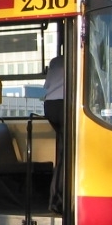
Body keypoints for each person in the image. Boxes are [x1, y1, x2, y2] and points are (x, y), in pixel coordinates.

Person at [43, 55, 64, 212]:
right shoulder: (83, 53)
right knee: (67, 154)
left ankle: (57, 196)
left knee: (64, 150)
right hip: (65, 102)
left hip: (50, 105)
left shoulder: (55, 61)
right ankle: (57, 198)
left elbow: (47, 85)